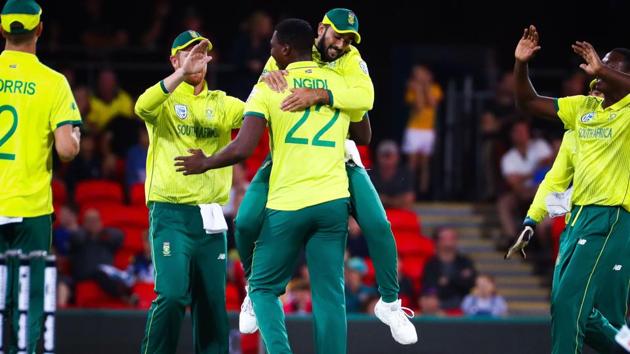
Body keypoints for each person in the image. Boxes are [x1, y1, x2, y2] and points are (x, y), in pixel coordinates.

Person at [175, 18, 370, 354]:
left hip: (288, 195)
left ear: (283, 49)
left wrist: (204, 162)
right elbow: (365, 135)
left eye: (272, 47)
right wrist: (333, 98)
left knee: (261, 280)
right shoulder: (341, 80)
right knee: (330, 294)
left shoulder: (270, 84)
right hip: (331, 198)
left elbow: (243, 148)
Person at [234, 8, 417, 345]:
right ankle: (253, 289)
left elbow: (366, 100)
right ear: (321, 29)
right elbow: (264, 81)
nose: (341, 44)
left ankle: (390, 303)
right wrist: (267, 78)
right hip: (287, 157)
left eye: (348, 39)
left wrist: (322, 94)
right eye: (337, 35)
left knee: (377, 223)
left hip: (338, 157)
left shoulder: (350, 59)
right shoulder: (295, 46)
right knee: (244, 222)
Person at [512, 24, 630, 353]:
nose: (596, 70)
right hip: (577, 218)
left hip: (612, 220)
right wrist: (521, 65)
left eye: (609, 66)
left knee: (567, 303)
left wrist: (601, 67)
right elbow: (528, 102)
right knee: (595, 316)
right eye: (597, 64)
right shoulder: (583, 109)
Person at [134, 30, 244, 353]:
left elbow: (258, 111)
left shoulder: (222, 103)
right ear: (174, 59)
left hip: (211, 218)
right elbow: (142, 107)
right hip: (171, 214)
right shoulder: (165, 101)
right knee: (170, 295)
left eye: (203, 52)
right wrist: (181, 74)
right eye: (189, 52)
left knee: (212, 304)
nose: (197, 56)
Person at [0, 0, 81, 352]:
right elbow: (65, 149)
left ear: (2, 30)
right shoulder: (54, 83)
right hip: (31, 208)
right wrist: (75, 138)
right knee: (29, 298)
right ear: (40, 30)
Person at [402, 64, 443, 196]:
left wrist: (424, 87)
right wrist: (418, 90)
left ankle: (424, 191)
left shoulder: (435, 89)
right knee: (412, 163)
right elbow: (419, 107)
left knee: (425, 163)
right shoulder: (412, 90)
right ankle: (409, 189)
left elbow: (432, 104)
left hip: (428, 130)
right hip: (414, 129)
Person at [422, 227, 477, 311]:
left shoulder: (465, 262)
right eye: (445, 238)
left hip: (464, 304)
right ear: (437, 241)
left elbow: (471, 284)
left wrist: (448, 280)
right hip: (439, 304)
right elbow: (429, 286)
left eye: (452, 237)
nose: (449, 241)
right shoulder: (431, 264)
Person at [368, 140, 415, 210]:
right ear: (377, 157)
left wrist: (385, 200)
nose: (387, 160)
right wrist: (397, 201)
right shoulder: (370, 173)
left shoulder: (405, 173)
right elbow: (368, 199)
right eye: (384, 156)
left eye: (389, 156)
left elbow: (408, 199)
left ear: (397, 157)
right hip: (377, 213)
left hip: (400, 213)